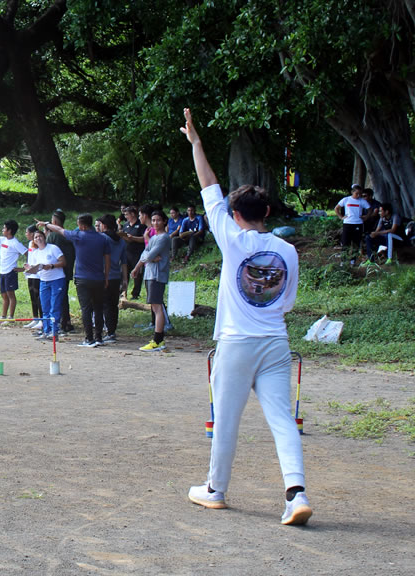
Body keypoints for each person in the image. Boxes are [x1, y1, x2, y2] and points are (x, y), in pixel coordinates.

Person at [181, 108, 310, 525]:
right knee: (282, 420)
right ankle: (296, 493)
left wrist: (197, 143)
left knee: (226, 420)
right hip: (276, 343)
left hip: (237, 343)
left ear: (236, 215)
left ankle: (216, 489)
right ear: (267, 213)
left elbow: (209, 186)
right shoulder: (288, 251)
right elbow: (286, 302)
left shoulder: (231, 237)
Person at [39, 214, 111, 348]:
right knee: (98, 308)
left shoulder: (78, 236)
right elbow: (107, 260)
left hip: (83, 278)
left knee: (86, 309)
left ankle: (89, 338)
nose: (78, 227)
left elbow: (59, 230)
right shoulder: (103, 238)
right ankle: (99, 337)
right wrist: (106, 277)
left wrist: (46, 224)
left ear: (83, 225)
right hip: (98, 278)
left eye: (78, 224)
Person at [131, 211, 171, 351]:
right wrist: (137, 268)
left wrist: (150, 257)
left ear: (164, 221)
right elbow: (146, 255)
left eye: (158, 220)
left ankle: (158, 339)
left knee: (157, 307)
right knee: (154, 307)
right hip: (149, 274)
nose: (155, 223)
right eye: (153, 220)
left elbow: (149, 255)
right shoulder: (154, 237)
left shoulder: (163, 238)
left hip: (157, 275)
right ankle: (157, 338)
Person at [25, 227, 66, 340]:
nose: (38, 239)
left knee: (54, 306)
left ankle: (54, 331)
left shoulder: (53, 248)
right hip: (44, 281)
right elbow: (35, 268)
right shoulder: (35, 253)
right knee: (45, 307)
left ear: (44, 237)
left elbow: (63, 262)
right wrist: (29, 268)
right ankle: (46, 330)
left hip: (57, 279)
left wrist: (52, 266)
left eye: (40, 236)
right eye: (35, 237)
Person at [98, 214, 127, 343]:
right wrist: (125, 279)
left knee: (104, 304)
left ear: (104, 225)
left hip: (103, 276)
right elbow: (124, 262)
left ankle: (107, 331)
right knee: (113, 305)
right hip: (116, 276)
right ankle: (112, 331)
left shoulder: (102, 238)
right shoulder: (121, 241)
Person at [47, 211, 76, 334]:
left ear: (54, 222)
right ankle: (66, 322)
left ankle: (57, 323)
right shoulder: (69, 235)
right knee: (64, 297)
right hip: (68, 270)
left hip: (55, 271)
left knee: (55, 297)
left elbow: (46, 251)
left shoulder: (53, 236)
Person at [120, 206, 147, 299]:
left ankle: (135, 294)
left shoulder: (141, 225)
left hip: (137, 253)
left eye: (127, 214)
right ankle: (123, 292)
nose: (125, 216)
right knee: (124, 273)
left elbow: (144, 239)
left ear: (132, 214)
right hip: (126, 252)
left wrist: (133, 238)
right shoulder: (126, 225)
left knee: (137, 274)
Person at [335, 185, 371, 250]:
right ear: (352, 192)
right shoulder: (346, 199)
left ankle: (353, 259)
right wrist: (341, 217)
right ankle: (344, 258)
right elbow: (336, 208)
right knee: (345, 241)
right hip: (347, 223)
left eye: (360, 194)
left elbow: (370, 209)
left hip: (358, 223)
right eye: (356, 193)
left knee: (356, 242)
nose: (358, 195)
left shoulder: (362, 201)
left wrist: (366, 217)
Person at [23, 225, 43, 329]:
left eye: (27, 232)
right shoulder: (30, 244)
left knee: (38, 297)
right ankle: (35, 318)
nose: (26, 234)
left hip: (38, 275)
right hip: (30, 273)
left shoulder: (39, 246)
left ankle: (41, 319)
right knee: (32, 297)